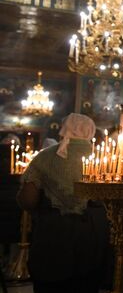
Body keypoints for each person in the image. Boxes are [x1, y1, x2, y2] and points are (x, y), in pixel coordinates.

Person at [16, 114, 109, 293]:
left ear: (64, 129)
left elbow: (28, 199)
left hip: (54, 234)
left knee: (51, 286)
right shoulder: (104, 159)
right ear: (90, 131)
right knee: (87, 285)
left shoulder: (45, 157)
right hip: (93, 235)